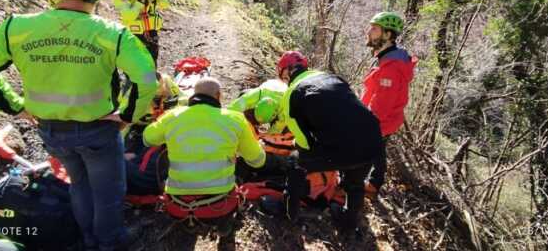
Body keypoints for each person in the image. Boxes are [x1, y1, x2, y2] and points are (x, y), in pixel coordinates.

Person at [0, 0, 158, 251]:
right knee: (107, 192)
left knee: (79, 183)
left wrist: (17, 106)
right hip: (99, 131)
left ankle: (88, 239)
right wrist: (128, 115)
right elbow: (146, 79)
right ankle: (110, 242)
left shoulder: (17, 28)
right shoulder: (112, 34)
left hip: (52, 132)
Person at [263, 51, 383, 233]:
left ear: (287, 72)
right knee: (355, 184)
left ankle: (289, 212)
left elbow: (304, 143)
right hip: (373, 142)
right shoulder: (333, 78)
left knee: (295, 162)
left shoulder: (292, 94)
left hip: (343, 149)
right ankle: (348, 224)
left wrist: (303, 149)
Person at [142, 77, 266, 223]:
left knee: (164, 151)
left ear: (193, 95)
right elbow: (258, 161)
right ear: (219, 96)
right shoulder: (236, 119)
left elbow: (147, 139)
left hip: (177, 206)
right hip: (220, 206)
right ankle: (224, 228)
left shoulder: (173, 116)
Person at [362, 12, 416, 198]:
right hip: (384, 119)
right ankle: (373, 183)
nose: (369, 32)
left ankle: (363, 186)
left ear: (387, 35)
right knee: (377, 151)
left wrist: (364, 122)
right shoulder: (386, 58)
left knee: (367, 151)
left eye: (374, 29)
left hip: (381, 120)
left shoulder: (392, 67)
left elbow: (381, 106)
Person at [112, 0, 170, 64]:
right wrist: (141, 0)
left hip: (151, 35)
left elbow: (165, 5)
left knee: (151, 65)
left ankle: (149, 80)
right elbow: (128, 17)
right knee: (133, 65)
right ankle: (132, 80)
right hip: (133, 35)